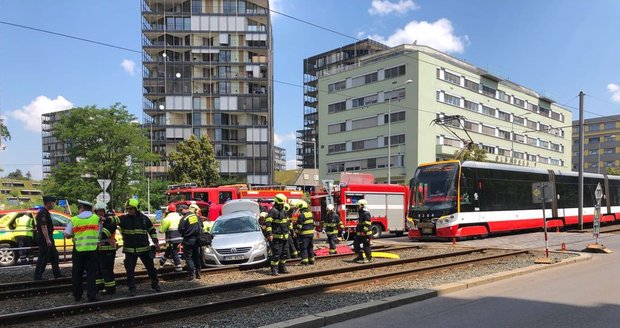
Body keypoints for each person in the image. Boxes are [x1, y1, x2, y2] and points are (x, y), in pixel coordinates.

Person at [107, 198, 161, 296]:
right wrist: (105, 218)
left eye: (131, 209)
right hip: (130, 250)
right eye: (128, 209)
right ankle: (132, 289)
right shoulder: (123, 218)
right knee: (130, 271)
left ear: (136, 208)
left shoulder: (145, 219)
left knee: (151, 268)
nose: (129, 211)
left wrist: (155, 242)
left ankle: (155, 285)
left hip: (145, 249)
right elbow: (112, 220)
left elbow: (152, 230)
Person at [64, 200, 100, 302]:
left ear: (82, 208)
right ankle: (92, 295)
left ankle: (77, 295)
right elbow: (99, 233)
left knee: (77, 273)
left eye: (79, 207)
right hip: (92, 249)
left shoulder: (74, 219)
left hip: (78, 250)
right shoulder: (96, 218)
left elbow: (67, 234)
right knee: (92, 273)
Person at [34, 195, 65, 280]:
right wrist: (47, 239)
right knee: (43, 257)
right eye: (52, 203)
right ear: (48, 203)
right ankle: (38, 276)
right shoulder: (43, 212)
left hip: (48, 237)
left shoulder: (45, 212)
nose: (53, 204)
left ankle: (57, 274)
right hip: (44, 238)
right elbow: (44, 226)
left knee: (54, 256)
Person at [94, 201, 117, 294]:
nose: (99, 213)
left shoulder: (109, 220)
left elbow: (104, 234)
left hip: (108, 249)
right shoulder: (95, 220)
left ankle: (110, 289)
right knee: (98, 270)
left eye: (101, 211)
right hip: (98, 249)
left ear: (105, 211)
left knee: (107, 270)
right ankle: (99, 287)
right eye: (97, 211)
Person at [265, 193, 291, 275]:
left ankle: (282, 268)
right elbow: (268, 223)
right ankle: (274, 270)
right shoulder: (272, 211)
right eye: (281, 204)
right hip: (276, 237)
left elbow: (287, 222)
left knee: (284, 253)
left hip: (285, 237)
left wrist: (291, 231)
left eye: (283, 204)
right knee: (276, 254)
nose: (282, 205)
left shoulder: (284, 211)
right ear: (277, 203)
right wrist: (269, 234)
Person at [178, 204, 203, 280]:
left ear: (185, 209)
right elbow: (202, 225)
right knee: (196, 256)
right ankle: (198, 274)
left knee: (188, 257)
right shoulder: (196, 216)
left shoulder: (184, 218)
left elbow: (180, 229)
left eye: (181, 210)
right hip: (197, 239)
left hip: (188, 240)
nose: (180, 212)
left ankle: (192, 274)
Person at [159, 203, 182, 272]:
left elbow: (162, 230)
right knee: (170, 249)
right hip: (181, 237)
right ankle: (162, 261)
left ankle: (178, 266)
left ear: (167, 210)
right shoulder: (180, 217)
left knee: (173, 250)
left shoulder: (166, 219)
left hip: (172, 238)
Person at [352, 199, 373, 263]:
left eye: (358, 206)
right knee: (356, 244)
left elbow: (367, 224)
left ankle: (369, 258)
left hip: (365, 233)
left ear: (362, 206)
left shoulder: (366, 213)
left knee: (366, 246)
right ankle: (360, 256)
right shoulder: (361, 212)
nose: (357, 207)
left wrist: (364, 231)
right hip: (360, 233)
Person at [295, 200, 315, 265]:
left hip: (304, 234)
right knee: (310, 247)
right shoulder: (310, 213)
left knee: (304, 248)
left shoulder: (302, 215)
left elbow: (299, 226)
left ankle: (304, 261)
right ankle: (311, 260)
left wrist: (296, 232)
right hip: (311, 234)